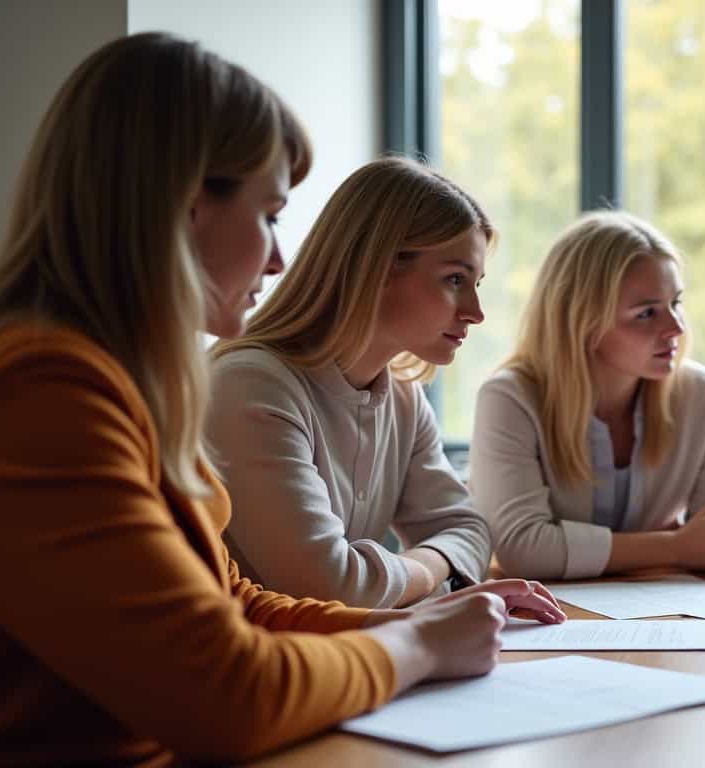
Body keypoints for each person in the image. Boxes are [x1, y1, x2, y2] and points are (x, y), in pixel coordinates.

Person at [0, 33, 560, 764]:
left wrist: (409, 622)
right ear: (183, 208)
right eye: (270, 215)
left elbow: (232, 602)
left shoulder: (117, 380)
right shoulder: (44, 394)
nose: (279, 258)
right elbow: (225, 693)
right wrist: (416, 642)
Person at [208, 156, 509, 610]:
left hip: (341, 656)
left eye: (476, 283)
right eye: (454, 280)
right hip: (252, 668)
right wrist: (431, 567)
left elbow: (471, 532)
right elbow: (331, 587)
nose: (475, 311)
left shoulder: (404, 398)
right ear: (375, 268)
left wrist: (402, 572)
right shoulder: (252, 386)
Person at [470, 210, 705, 580]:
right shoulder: (510, 398)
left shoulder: (700, 394)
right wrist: (678, 546)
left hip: (663, 613)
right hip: (545, 619)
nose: (675, 328)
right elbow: (522, 549)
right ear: (580, 321)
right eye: (646, 313)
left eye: (675, 304)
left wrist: (575, 547)